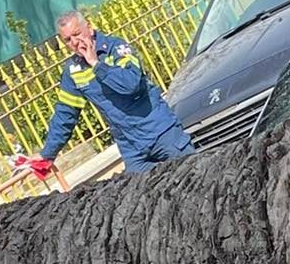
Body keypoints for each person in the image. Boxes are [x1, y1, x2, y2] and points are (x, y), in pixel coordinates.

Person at [22, 10, 195, 177]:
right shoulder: (73, 71)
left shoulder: (116, 47)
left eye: (77, 34)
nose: (74, 42)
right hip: (132, 149)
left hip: (161, 132)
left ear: (89, 28)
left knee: (193, 178)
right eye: (67, 40)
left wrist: (96, 64)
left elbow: (131, 84)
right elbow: (65, 114)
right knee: (144, 194)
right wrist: (47, 154)